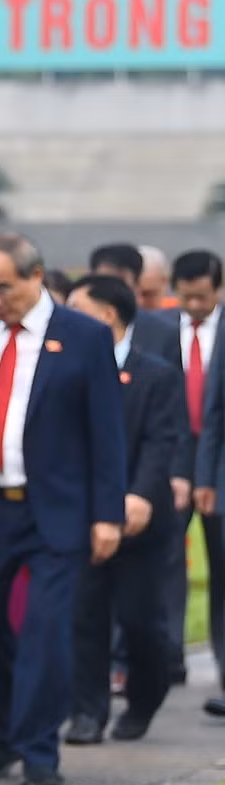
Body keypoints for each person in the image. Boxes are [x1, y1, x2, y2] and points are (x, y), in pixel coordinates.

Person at [0, 233, 126, 785]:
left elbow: (106, 431)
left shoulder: (84, 337)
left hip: (57, 508)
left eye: (2, 288)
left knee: (45, 630)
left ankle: (38, 748)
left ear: (35, 277)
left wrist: (108, 513)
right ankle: (4, 730)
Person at [65, 275, 181, 744]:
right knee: (83, 617)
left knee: (140, 622)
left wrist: (138, 495)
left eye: (77, 308)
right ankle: (87, 713)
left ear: (107, 314)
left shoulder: (154, 374)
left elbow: (161, 442)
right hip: (82, 515)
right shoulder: (68, 370)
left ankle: (144, 698)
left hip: (141, 522)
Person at [152, 250, 222, 697]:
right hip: (168, 465)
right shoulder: (158, 332)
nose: (193, 306)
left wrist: (207, 476)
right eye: (185, 296)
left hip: (218, 465)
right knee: (163, 568)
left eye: (202, 297)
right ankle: (165, 661)